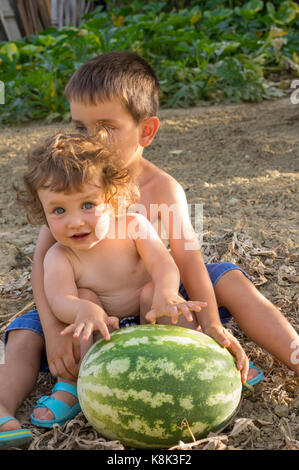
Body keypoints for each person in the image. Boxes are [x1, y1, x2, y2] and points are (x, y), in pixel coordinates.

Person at [1, 52, 298, 447]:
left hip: (159, 303)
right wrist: (56, 334)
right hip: (86, 316)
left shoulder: (162, 190)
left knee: (227, 276)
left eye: (106, 127)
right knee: (24, 333)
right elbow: (43, 265)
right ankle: (8, 407)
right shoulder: (69, 190)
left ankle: (290, 352)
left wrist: (210, 325)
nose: (91, 139)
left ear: (146, 131)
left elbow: (188, 259)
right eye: (81, 126)